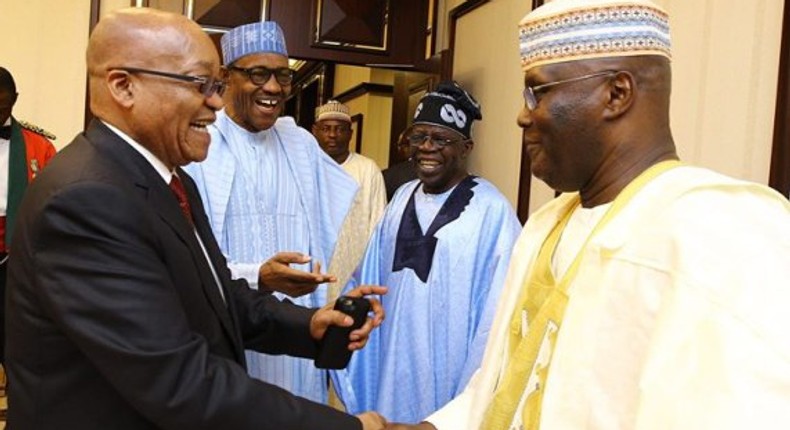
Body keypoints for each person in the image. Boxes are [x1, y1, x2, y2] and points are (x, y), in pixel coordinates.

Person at [387, 0, 790, 429]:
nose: (523, 116)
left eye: (537, 92)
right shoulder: (547, 223)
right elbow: (506, 386)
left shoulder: (725, 234)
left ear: (617, 94)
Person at [5, 8, 388, 429]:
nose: (217, 102)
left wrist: (308, 325)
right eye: (200, 84)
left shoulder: (171, 180)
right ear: (124, 86)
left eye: (217, 85)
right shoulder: (86, 200)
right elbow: (179, 381)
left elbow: (217, 296)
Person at [184, 21, 359, 404]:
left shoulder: (300, 143)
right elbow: (189, 260)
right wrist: (257, 276)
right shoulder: (200, 144)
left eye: (283, 75)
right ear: (226, 77)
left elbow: (325, 228)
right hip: (231, 327)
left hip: (296, 331)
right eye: (258, 74)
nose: (274, 88)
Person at [333, 81, 522, 423]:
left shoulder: (492, 212)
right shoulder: (401, 198)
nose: (427, 148)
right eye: (419, 137)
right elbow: (368, 277)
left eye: (441, 140)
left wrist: (471, 399)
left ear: (466, 146)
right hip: (390, 367)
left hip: (451, 381)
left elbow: (499, 316)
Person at [0, 66, 57, 367]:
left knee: (16, 327)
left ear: (15, 100)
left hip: (18, 250)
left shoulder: (40, 145)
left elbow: (54, 202)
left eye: (3, 106)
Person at [312, 100, 386, 299]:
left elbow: (378, 225)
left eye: (340, 129)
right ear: (315, 131)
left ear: (351, 133)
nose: (333, 135)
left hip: (355, 270)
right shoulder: (306, 167)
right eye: (326, 128)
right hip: (313, 268)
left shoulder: (367, 169)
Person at [381, 131, 417, 201]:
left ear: (406, 146)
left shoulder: (387, 175)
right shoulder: (436, 174)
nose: (398, 149)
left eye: (399, 145)